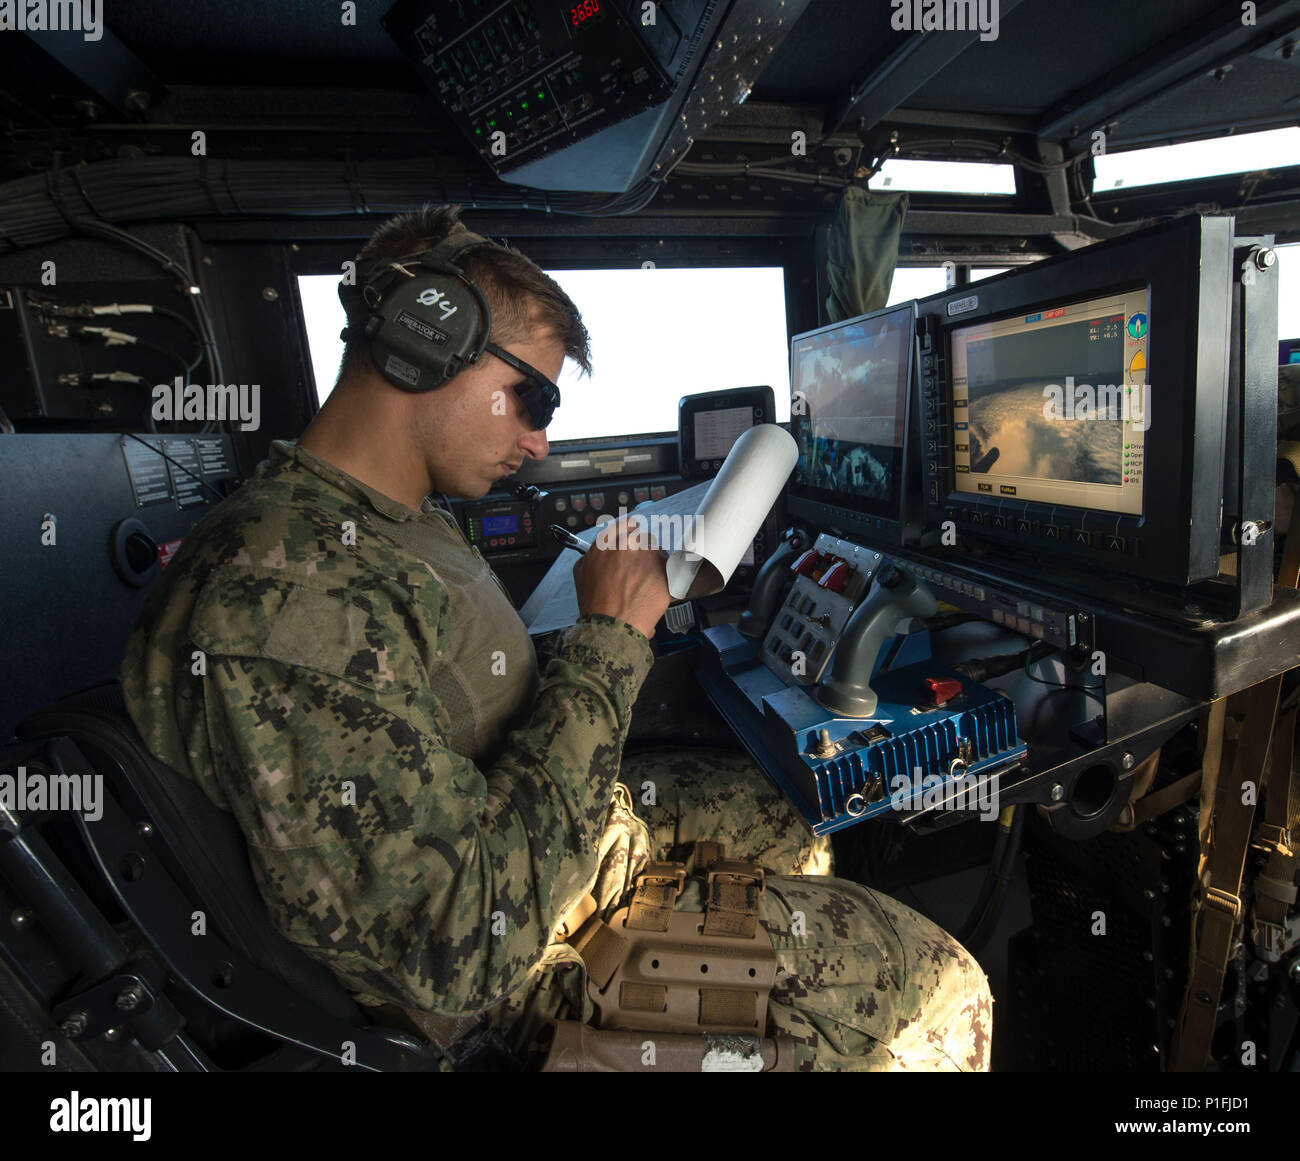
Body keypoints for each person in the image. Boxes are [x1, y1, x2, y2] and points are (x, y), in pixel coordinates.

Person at [122, 204, 991, 1071]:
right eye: (531, 397)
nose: (539, 441)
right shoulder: (283, 593)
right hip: (532, 957)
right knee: (949, 989)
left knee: (796, 818)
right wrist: (613, 635)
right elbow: (458, 941)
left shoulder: (376, 520)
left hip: (556, 842)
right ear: (428, 341)